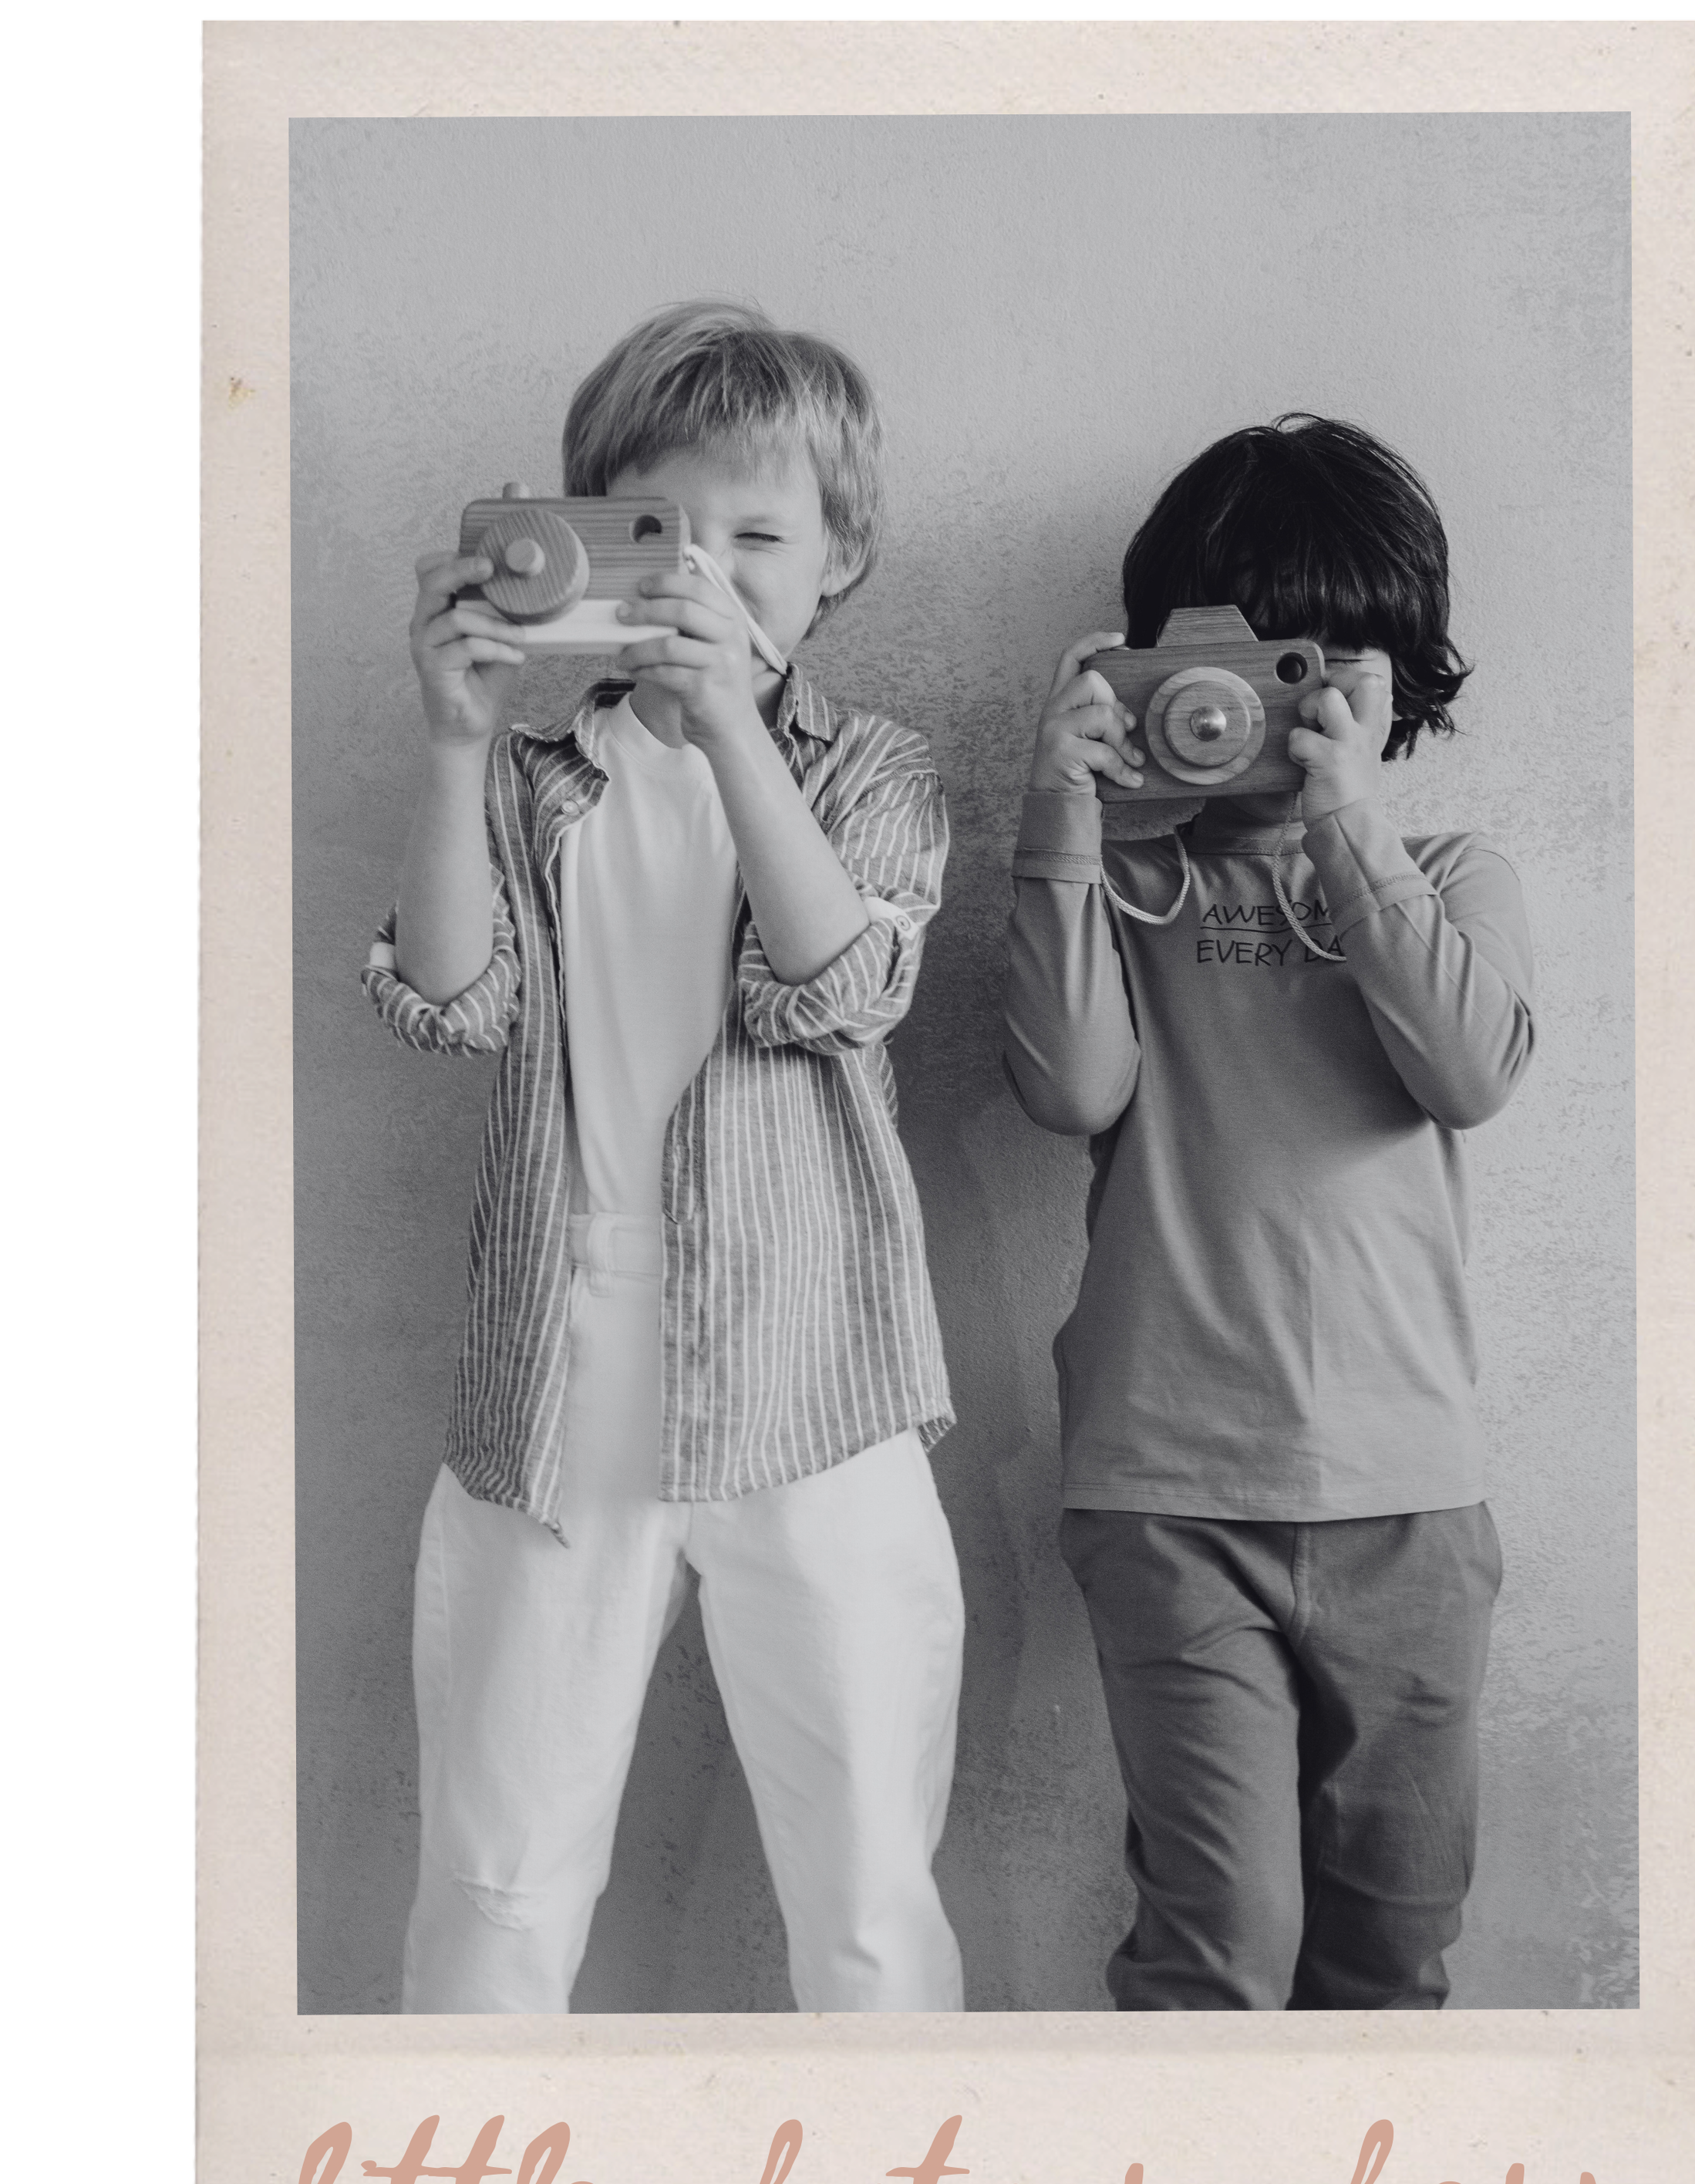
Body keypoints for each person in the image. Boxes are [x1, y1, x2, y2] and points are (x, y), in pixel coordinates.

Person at [363, 301, 965, 2014]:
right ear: (588, 544)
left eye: (758, 535)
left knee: (863, 1890)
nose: (706, 573)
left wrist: (733, 733)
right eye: (661, 533)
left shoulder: (874, 769)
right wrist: (457, 738)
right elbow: (442, 1003)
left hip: (817, 1363)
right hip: (559, 1371)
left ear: (840, 559)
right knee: (494, 1881)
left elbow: (841, 984)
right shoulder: (537, 777)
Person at [1002, 416, 1535, 2011]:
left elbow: (1465, 1070)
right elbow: (1067, 1090)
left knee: (1388, 1951)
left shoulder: (1446, 866)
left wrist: (1342, 817)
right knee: (1213, 1949)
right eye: (1246, 660)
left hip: (1409, 1497)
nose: (1280, 704)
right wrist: (1062, 816)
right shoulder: (1120, 884)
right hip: (1165, 1489)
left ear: (1399, 684)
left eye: (1332, 666)